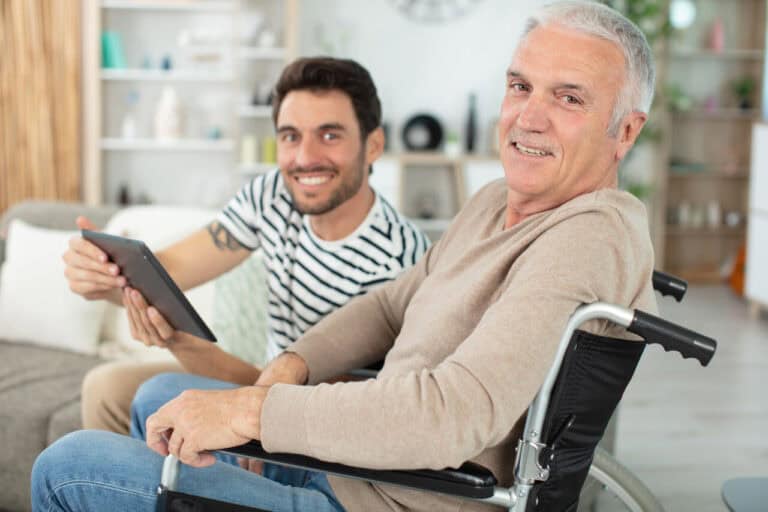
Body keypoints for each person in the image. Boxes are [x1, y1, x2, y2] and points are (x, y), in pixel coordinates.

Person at [32, 2, 659, 511]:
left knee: (68, 466)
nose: (529, 116)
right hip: (359, 466)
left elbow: (452, 414)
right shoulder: (498, 201)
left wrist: (253, 406)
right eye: (520, 86)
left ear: (625, 131)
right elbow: (392, 305)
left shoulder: (590, 235)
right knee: (157, 398)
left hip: (397, 496)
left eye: (569, 98)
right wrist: (291, 365)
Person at [65, 56, 430, 435]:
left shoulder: (397, 262)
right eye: (291, 136)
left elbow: (315, 408)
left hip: (313, 420)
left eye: (329, 135)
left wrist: (185, 344)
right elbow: (169, 271)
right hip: (265, 382)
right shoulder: (273, 194)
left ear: (373, 146)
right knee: (105, 390)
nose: (305, 158)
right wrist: (102, 275)